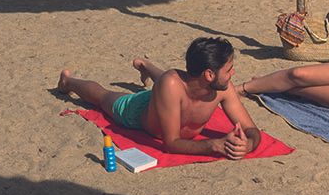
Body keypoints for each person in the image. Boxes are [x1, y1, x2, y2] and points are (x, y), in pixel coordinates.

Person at [57, 36, 262, 159]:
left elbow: (251, 129)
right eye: (229, 70)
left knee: (169, 84)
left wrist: (249, 144)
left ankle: (146, 65)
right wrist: (214, 145)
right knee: (103, 98)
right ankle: (68, 82)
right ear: (209, 74)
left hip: (170, 95)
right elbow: (171, 143)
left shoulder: (224, 89)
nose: (233, 74)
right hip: (139, 111)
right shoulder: (171, 84)